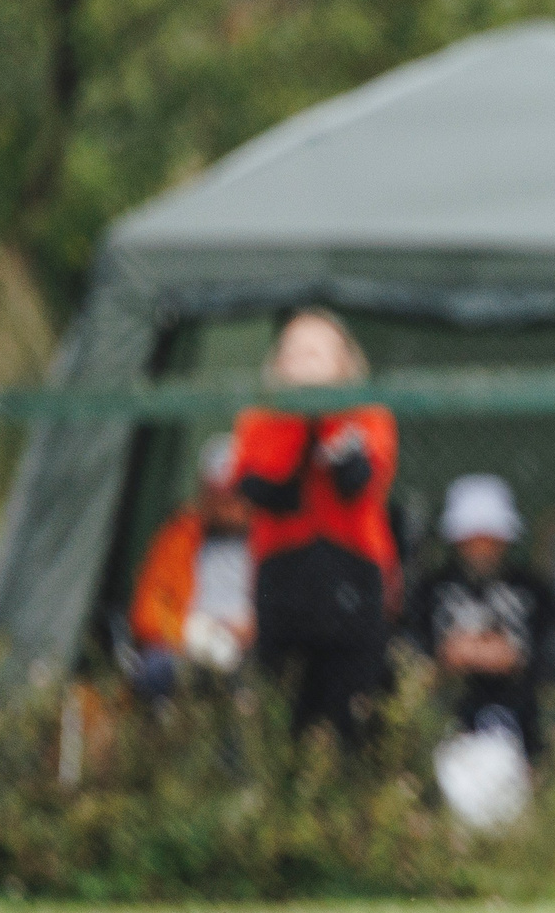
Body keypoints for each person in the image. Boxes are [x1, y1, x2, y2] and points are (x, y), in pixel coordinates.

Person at [232, 309, 399, 743]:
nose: (302, 362)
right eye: (292, 353)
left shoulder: (369, 415)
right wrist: (295, 416)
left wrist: (326, 415)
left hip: (352, 573)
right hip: (282, 575)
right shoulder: (259, 417)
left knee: (350, 706)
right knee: (281, 701)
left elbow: (356, 483)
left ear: (344, 364)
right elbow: (269, 491)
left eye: (315, 353)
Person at [405, 475, 555, 759]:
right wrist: (446, 655)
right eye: (472, 540)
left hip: (519, 706)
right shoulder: (431, 589)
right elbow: (411, 645)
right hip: (447, 703)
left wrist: (516, 656)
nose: (481, 549)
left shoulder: (534, 589)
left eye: (489, 540)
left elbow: (554, 647)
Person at [125, 434, 254, 697]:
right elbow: (147, 613)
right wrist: (196, 632)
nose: (230, 505)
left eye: (237, 493)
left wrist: (249, 630)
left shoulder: (270, 540)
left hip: (250, 649)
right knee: (155, 668)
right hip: (188, 648)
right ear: (204, 492)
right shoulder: (179, 537)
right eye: (220, 494)